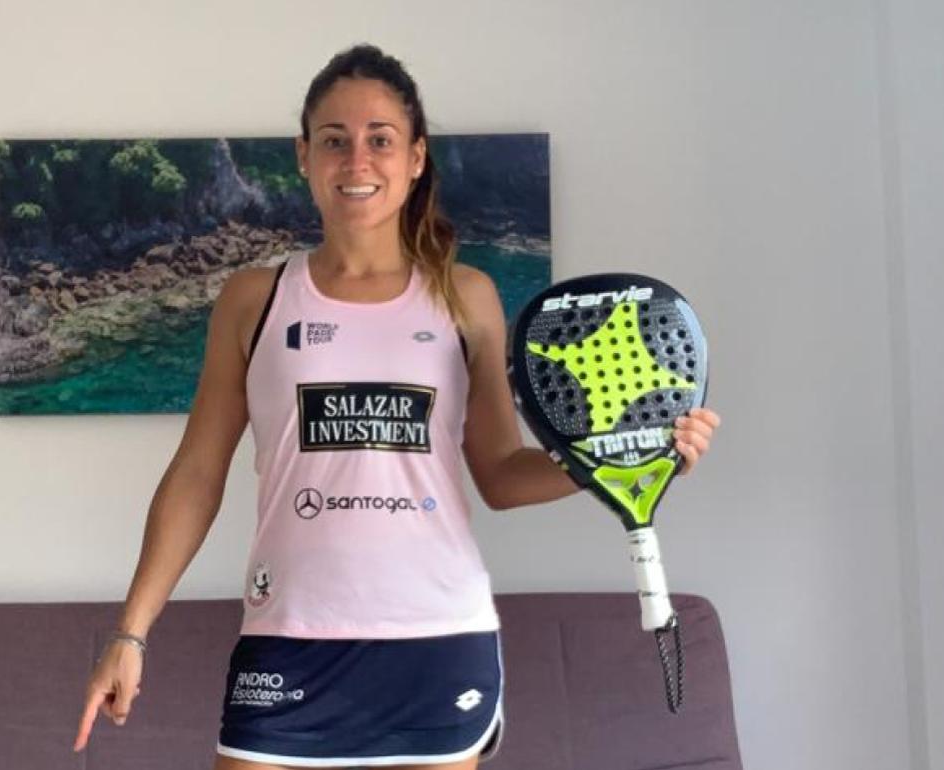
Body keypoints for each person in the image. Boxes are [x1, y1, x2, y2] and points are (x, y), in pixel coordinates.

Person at [72, 44, 721, 769]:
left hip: (438, 639)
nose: (357, 160)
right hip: (288, 637)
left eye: (380, 139)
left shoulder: (466, 296)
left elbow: (501, 476)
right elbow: (197, 472)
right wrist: (131, 631)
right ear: (304, 156)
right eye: (335, 140)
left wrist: (619, 458)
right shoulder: (252, 300)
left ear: (415, 158)